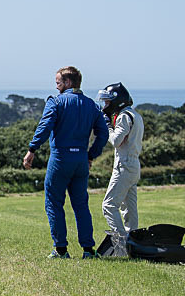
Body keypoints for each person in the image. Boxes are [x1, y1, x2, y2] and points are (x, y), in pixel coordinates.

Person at [22, 66, 109, 259]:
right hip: (81, 161)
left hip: (60, 158)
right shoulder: (92, 105)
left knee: (53, 203)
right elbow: (103, 134)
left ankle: (61, 250)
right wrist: (90, 155)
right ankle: (88, 250)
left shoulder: (56, 102)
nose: (56, 87)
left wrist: (32, 149)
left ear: (68, 82)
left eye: (58, 83)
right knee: (81, 205)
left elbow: (45, 126)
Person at [97, 82, 144, 254]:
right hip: (133, 165)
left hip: (124, 165)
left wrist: (108, 126)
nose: (105, 106)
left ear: (118, 101)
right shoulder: (135, 115)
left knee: (109, 205)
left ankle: (121, 246)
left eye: (108, 102)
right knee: (129, 208)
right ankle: (134, 244)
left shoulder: (124, 116)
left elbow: (116, 141)